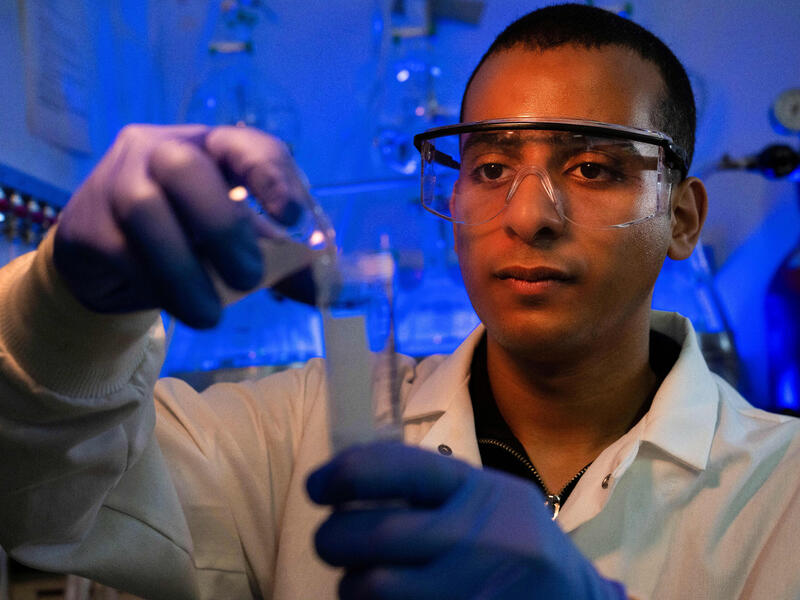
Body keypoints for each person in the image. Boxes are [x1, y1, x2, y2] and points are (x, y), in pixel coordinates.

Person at [1, 3, 798, 599]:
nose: (528, 216)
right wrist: (64, 310)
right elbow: (44, 500)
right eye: (488, 169)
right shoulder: (291, 438)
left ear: (684, 217)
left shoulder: (781, 488)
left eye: (593, 168)